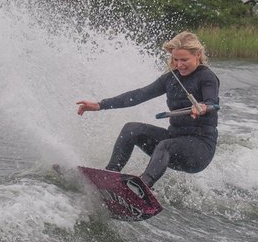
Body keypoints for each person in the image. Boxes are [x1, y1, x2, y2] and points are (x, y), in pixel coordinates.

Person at [76, 31, 220, 187]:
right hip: (174, 141)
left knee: (166, 145)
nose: (179, 65)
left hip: (199, 150)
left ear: (198, 55)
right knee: (131, 129)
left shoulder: (207, 77)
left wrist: (204, 107)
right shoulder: (171, 78)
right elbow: (139, 95)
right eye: (175, 59)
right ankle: (110, 175)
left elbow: (212, 102)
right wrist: (100, 105)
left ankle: (142, 186)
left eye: (184, 60)